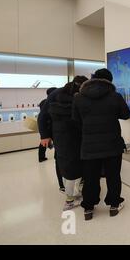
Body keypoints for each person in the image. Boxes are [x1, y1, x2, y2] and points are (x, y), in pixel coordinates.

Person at [73, 68, 130, 220]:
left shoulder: (79, 97)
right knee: (113, 176)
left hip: (89, 146)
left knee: (90, 177)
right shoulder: (115, 96)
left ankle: (88, 208)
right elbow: (126, 115)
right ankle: (114, 205)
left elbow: (76, 121)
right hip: (112, 144)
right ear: (110, 81)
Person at [48, 76, 88, 210]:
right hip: (73, 141)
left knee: (65, 169)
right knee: (73, 172)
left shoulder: (54, 106)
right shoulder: (73, 107)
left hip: (60, 141)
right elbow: (79, 125)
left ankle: (70, 195)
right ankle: (70, 200)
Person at [38, 87, 65, 193]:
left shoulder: (44, 102)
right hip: (54, 133)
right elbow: (43, 118)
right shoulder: (51, 103)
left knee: (58, 157)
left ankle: (62, 184)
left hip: (51, 133)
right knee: (59, 157)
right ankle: (62, 184)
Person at [38, 87, 57, 163]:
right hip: (51, 126)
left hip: (46, 126)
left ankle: (41, 157)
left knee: (44, 142)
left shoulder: (43, 102)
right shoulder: (52, 102)